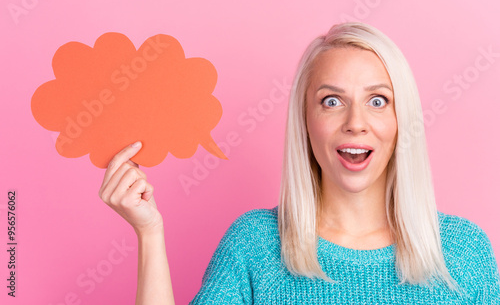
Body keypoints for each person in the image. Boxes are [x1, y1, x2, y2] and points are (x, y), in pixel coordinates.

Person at [98, 22, 500, 304]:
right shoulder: (254, 245)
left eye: (378, 101)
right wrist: (149, 233)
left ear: (401, 119)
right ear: (306, 122)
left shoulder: (464, 253)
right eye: (331, 101)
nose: (355, 123)